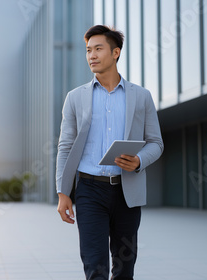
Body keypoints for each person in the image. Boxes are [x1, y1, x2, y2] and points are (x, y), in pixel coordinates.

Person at [56, 25, 164, 280]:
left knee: (124, 268)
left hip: (127, 192)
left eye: (98, 49)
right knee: (95, 267)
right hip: (89, 190)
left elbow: (156, 143)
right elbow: (65, 147)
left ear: (115, 53)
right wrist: (63, 192)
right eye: (88, 50)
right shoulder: (75, 98)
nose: (91, 55)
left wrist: (138, 160)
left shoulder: (141, 96)